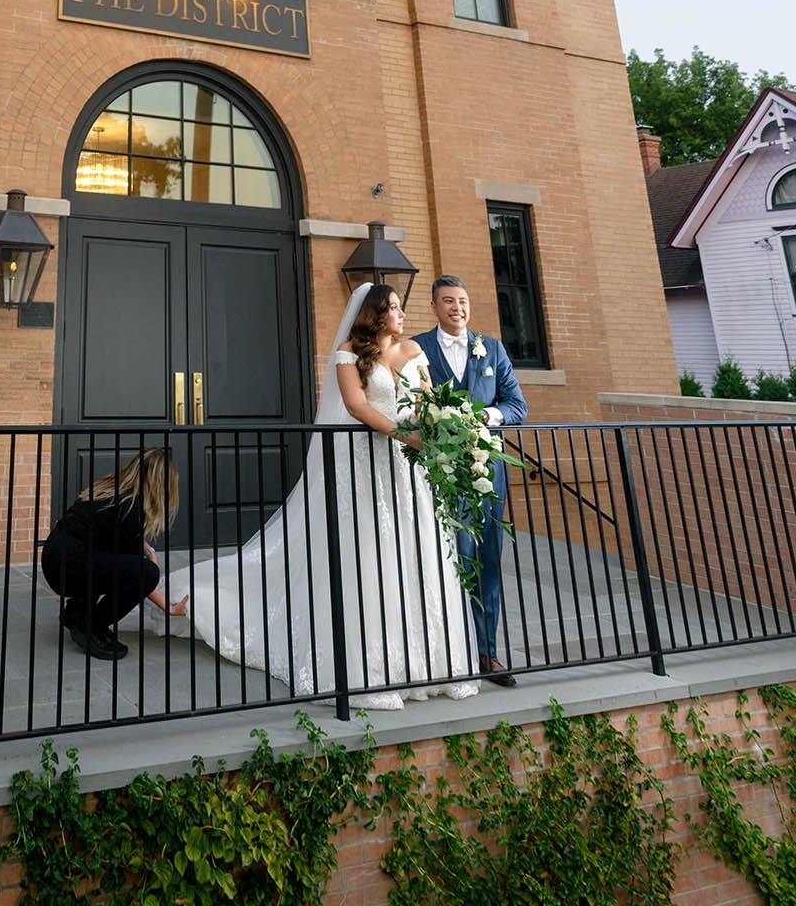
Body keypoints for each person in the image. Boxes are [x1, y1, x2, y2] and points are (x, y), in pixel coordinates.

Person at [145, 282, 477, 709]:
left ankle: (431, 661)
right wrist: (403, 434)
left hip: (408, 469)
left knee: (417, 552)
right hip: (366, 463)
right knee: (370, 555)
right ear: (375, 313)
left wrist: (437, 428)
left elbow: (430, 401)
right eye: (393, 308)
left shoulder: (414, 351)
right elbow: (356, 406)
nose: (401, 314)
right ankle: (370, 669)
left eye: (400, 307)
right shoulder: (348, 353)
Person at [414, 273, 528, 686]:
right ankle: (443, 651)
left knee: (486, 560)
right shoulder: (417, 348)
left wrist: (487, 417)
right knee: (444, 558)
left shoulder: (492, 349)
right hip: (437, 473)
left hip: (486, 472)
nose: (456, 307)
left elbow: (517, 405)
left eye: (462, 301)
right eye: (448, 301)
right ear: (435, 306)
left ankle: (486, 652)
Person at [40, 447, 187, 660]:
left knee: (108, 555)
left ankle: (77, 611)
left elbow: (109, 532)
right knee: (146, 573)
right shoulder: (131, 508)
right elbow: (137, 574)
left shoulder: (113, 488)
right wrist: (168, 606)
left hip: (55, 557)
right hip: (69, 566)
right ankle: (91, 626)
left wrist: (145, 547)